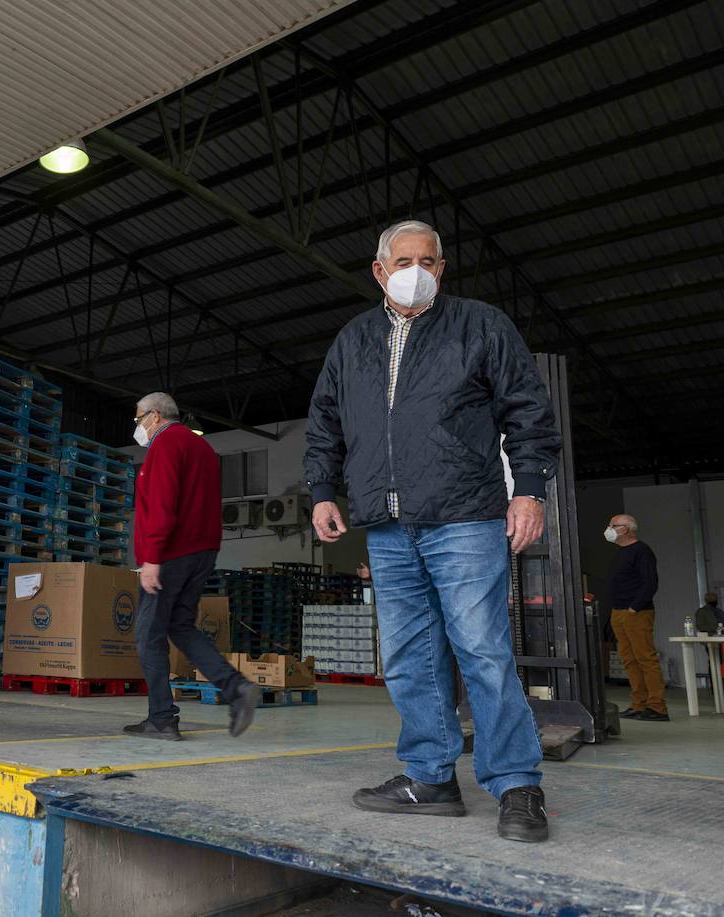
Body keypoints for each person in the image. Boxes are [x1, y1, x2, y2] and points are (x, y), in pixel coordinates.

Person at [304, 219, 561, 844]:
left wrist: (528, 488)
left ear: (441, 269)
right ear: (378, 269)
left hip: (464, 515)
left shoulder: (480, 324)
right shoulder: (354, 339)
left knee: (481, 650)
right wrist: (321, 491)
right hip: (387, 525)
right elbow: (325, 422)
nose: (414, 270)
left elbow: (527, 408)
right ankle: (429, 777)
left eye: (427, 261)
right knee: (408, 660)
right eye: (402, 260)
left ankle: (518, 785)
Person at [126, 391, 261, 741]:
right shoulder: (201, 448)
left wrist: (151, 557)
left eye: (139, 419)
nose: (138, 426)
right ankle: (236, 687)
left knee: (147, 634)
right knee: (180, 626)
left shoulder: (166, 444)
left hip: (171, 552)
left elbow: (162, 503)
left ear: (155, 416)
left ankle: (161, 718)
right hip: (202, 551)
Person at [605, 515, 666, 721]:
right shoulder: (620, 552)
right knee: (630, 660)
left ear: (627, 529)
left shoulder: (641, 551)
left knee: (645, 659)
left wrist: (634, 608)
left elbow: (650, 582)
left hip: (636, 613)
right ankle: (639, 704)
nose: (609, 529)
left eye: (613, 526)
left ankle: (657, 707)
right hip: (618, 612)